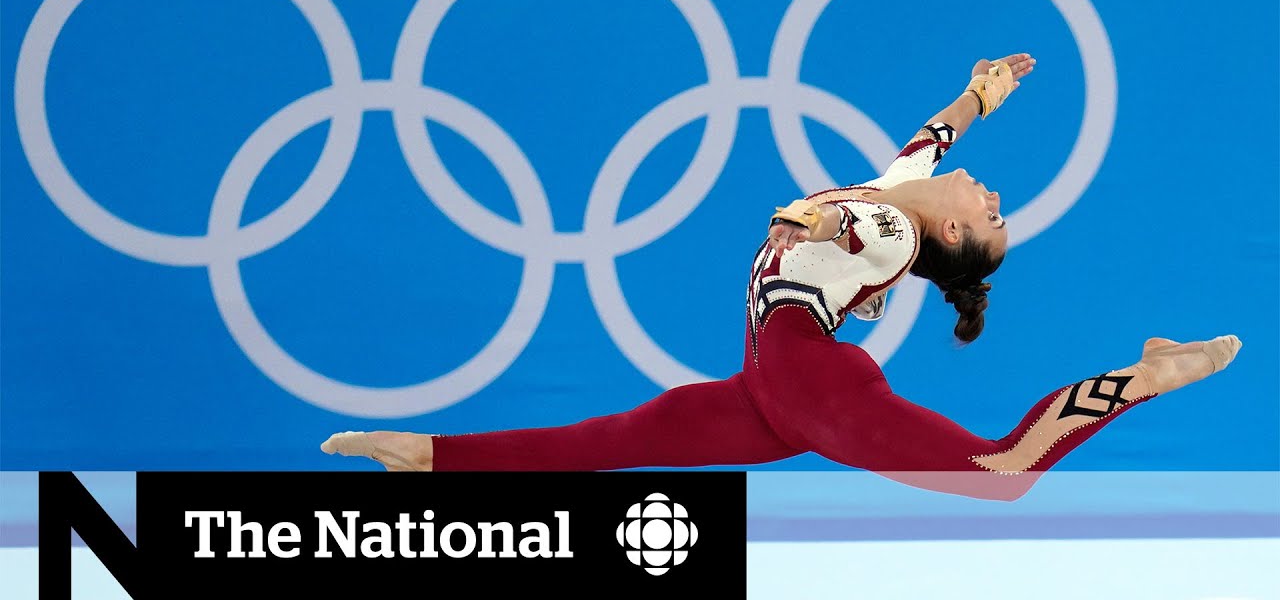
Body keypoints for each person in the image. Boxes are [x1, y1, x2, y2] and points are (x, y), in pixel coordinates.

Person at [321, 54, 1242, 501]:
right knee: (608, 438)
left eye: (993, 214)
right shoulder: (903, 193)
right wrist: (982, 93)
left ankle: (1149, 375)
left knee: (1000, 473)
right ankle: (430, 454)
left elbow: (855, 223)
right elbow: (932, 142)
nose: (994, 192)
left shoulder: (883, 223)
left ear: (951, 229)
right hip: (772, 388)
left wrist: (809, 219)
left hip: (811, 382)